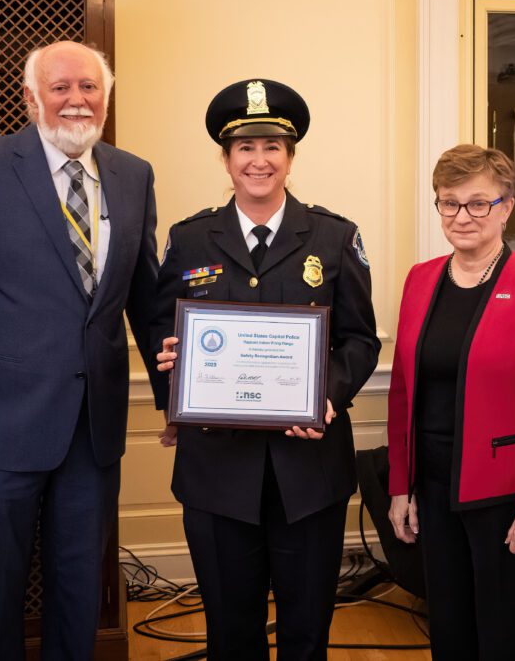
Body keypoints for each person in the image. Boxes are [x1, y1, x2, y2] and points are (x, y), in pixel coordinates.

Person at [0, 41, 160, 660]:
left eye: (89, 87)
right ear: (30, 98)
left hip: (94, 430)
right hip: (1, 428)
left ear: (106, 97)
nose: (77, 100)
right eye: (60, 87)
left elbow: (147, 302)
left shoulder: (134, 174)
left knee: (80, 586)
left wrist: (178, 401)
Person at [151, 79, 381, 660]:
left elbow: (359, 340)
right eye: (245, 149)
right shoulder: (188, 238)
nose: (259, 161)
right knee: (231, 632)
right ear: (226, 160)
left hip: (308, 472)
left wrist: (325, 394)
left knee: (306, 633)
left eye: (272, 147)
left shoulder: (334, 236)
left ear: (291, 156)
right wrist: (174, 379)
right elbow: (162, 331)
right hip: (217, 471)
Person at [386, 144, 515, 660]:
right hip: (433, 486)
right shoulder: (420, 279)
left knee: (508, 637)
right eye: (449, 203)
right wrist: (400, 487)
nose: (462, 216)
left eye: (479, 203)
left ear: (507, 206)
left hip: (506, 496)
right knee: (450, 631)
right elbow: (405, 391)